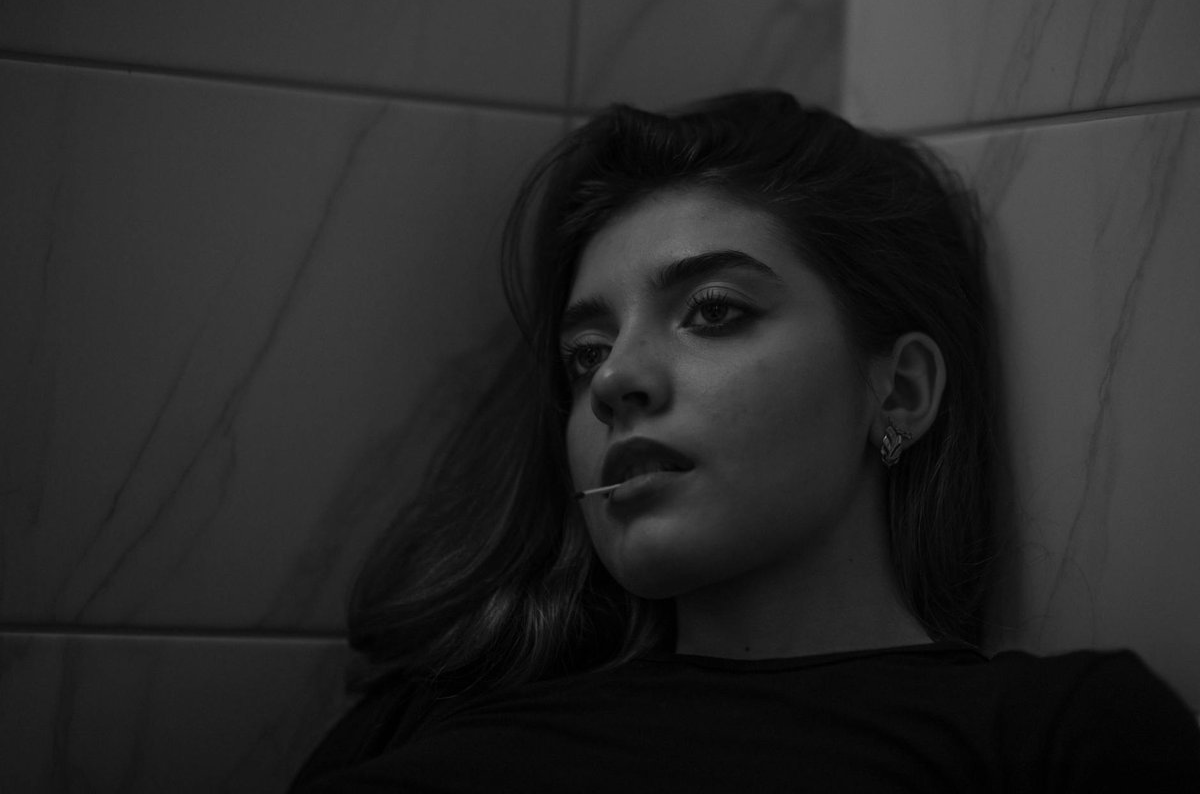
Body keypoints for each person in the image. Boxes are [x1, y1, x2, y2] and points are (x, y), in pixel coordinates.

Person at [291, 91, 1199, 792]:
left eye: (713, 312)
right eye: (584, 354)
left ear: (904, 390)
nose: (613, 382)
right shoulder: (423, 716)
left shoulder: (1057, 737)